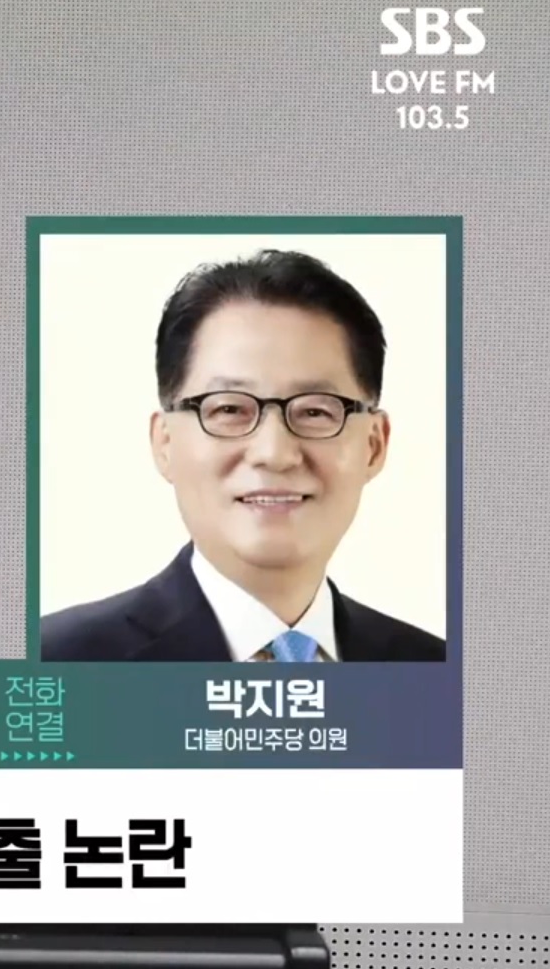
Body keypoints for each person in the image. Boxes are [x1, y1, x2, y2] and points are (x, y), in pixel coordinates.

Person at [41, 248, 444, 663]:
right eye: (230, 409)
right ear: (165, 443)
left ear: (375, 445)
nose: (275, 453)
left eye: (315, 412)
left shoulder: (440, 670)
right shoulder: (53, 663)